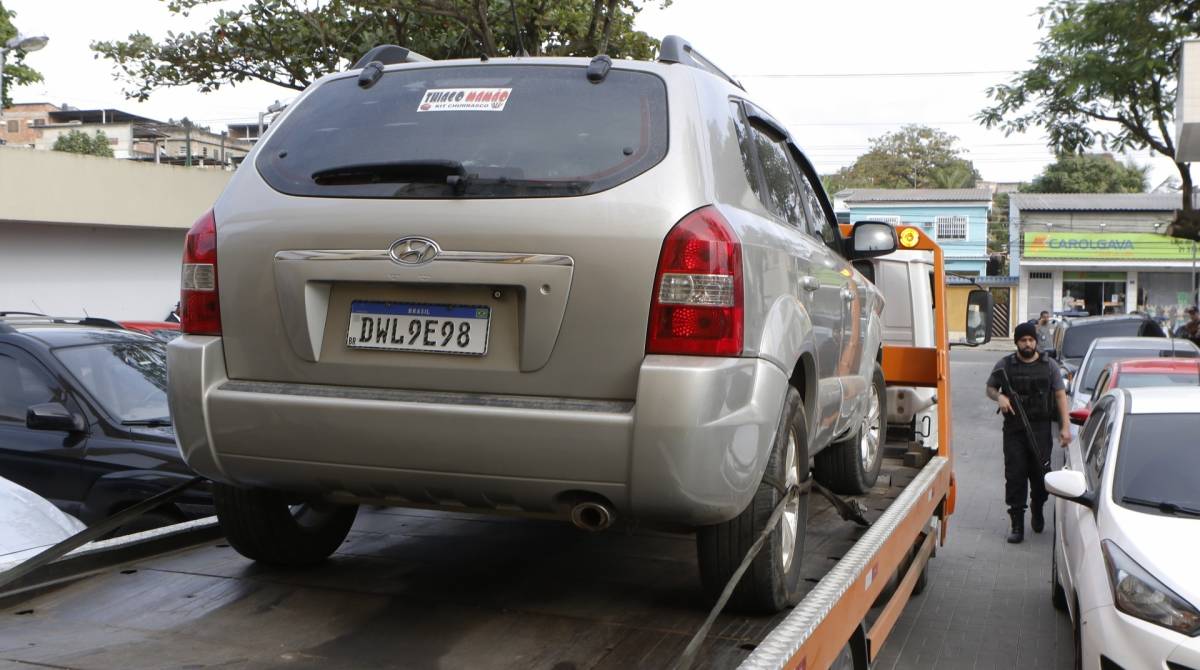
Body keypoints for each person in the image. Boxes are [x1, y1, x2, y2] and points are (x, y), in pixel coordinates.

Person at [985, 322, 1071, 544]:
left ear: (1036, 342)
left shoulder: (1049, 365)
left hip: (1041, 429)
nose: (1027, 344)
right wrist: (1000, 397)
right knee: (1015, 475)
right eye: (1023, 340)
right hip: (1014, 431)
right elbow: (990, 388)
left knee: (1041, 476)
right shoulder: (1006, 365)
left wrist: (1065, 427)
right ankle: (1016, 524)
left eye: (1031, 340)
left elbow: (1061, 396)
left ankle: (1038, 506)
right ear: (1016, 342)